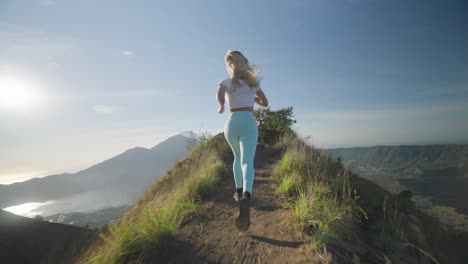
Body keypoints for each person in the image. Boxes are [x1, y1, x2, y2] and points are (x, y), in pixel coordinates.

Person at [216, 50, 269, 232]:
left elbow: (220, 93)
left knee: (237, 159)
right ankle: (247, 194)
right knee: (247, 161)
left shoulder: (226, 82)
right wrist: (253, 97)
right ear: (244, 63)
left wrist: (221, 105)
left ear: (229, 65)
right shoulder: (253, 83)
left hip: (232, 123)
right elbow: (265, 102)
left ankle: (239, 192)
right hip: (248, 121)